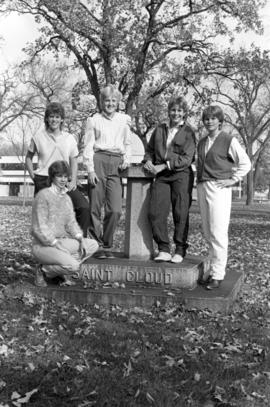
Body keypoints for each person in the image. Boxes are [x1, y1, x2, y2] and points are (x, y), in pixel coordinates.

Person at [197, 105, 251, 289]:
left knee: (218, 231)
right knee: (207, 231)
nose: (209, 121)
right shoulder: (202, 142)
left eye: (213, 118)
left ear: (220, 121)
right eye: (206, 118)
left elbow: (245, 163)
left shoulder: (228, 140)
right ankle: (212, 269)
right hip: (203, 186)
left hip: (219, 187)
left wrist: (233, 180)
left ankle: (218, 274)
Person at [25, 102, 90, 237]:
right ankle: (46, 251)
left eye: (57, 117)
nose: (54, 120)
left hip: (63, 180)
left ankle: (80, 244)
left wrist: (73, 180)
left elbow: (74, 160)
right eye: (51, 116)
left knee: (83, 207)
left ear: (61, 119)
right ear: (47, 119)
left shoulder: (69, 138)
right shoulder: (38, 137)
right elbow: (28, 158)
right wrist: (34, 177)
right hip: (43, 180)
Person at [143, 96, 196, 263]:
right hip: (161, 177)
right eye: (173, 110)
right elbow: (149, 150)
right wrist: (149, 160)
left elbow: (187, 158)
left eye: (179, 110)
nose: (176, 113)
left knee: (180, 213)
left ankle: (180, 249)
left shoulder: (189, 132)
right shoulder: (159, 129)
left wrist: (164, 165)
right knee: (155, 212)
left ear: (184, 113)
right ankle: (164, 249)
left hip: (181, 175)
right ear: (169, 111)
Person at [31, 160, 99, 287]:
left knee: (92, 245)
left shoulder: (67, 197)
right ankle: (43, 270)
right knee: (74, 266)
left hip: (62, 241)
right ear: (52, 177)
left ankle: (57, 268)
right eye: (59, 176)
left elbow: (71, 223)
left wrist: (80, 239)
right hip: (44, 245)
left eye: (65, 176)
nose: (63, 180)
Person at [83, 85, 132, 257]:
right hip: (98, 160)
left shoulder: (124, 119)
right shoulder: (94, 120)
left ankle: (107, 244)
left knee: (115, 209)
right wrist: (90, 169)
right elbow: (88, 145)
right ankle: (96, 245)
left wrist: (126, 160)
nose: (110, 103)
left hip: (116, 163)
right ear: (101, 102)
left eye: (113, 100)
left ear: (118, 102)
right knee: (94, 207)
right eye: (106, 100)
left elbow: (127, 143)